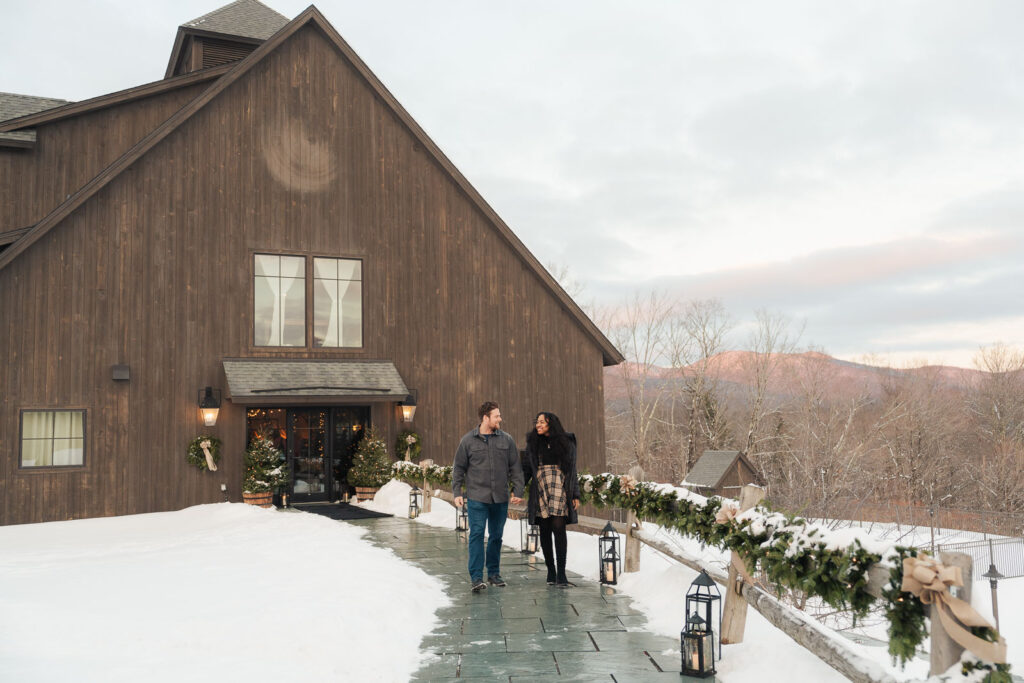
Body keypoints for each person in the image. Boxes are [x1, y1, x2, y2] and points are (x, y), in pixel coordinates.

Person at [452, 401, 525, 593]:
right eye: (497, 416)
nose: (500, 419)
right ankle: (476, 577)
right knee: (476, 534)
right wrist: (457, 492)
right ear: (486, 418)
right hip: (477, 497)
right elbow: (458, 467)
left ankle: (493, 574)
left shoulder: (506, 440)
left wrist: (518, 491)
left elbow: (515, 468)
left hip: (499, 498)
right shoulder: (467, 441)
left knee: (496, 536)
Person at [522, 411, 581, 587]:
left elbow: (572, 471)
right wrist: (516, 490)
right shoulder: (533, 443)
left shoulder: (566, 442)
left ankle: (561, 575)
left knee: (559, 528)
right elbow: (526, 469)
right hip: (541, 488)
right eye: (537, 421)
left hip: (559, 488)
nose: (538, 425)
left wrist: (576, 494)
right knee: (545, 530)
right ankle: (551, 571)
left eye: (542, 422)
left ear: (551, 424)